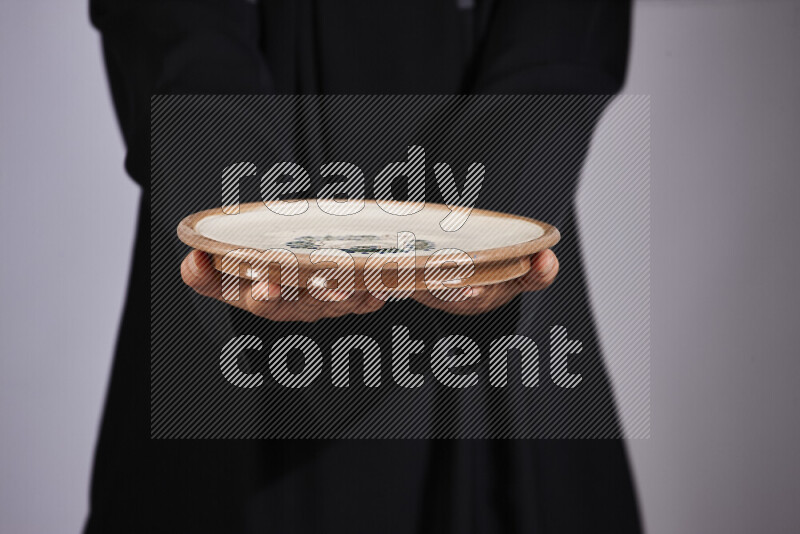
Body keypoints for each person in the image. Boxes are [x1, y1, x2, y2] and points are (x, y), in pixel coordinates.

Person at [86, 0, 641, 532]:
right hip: (240, 164)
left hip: (489, 163)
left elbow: (565, 25)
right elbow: (169, 20)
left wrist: (491, 226)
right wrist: (244, 223)